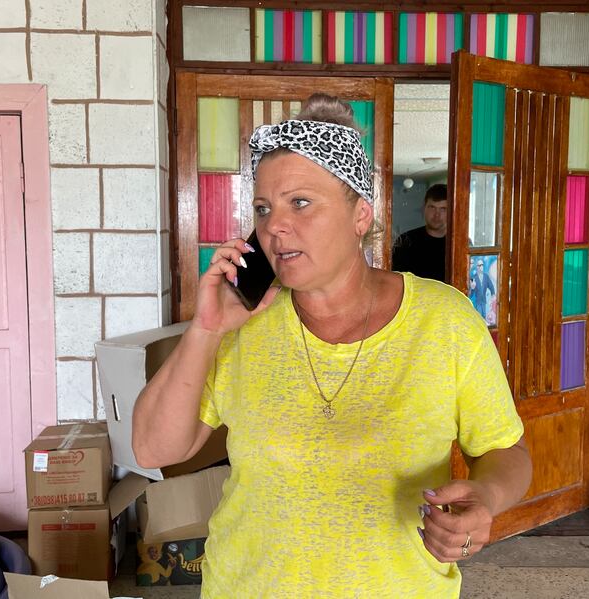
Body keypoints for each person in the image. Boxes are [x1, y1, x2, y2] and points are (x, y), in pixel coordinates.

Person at [132, 93, 532, 598]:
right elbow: (153, 448)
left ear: (361, 214)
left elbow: (504, 448)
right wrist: (205, 328)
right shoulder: (244, 327)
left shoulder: (443, 320)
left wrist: (487, 496)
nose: (275, 225)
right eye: (263, 208)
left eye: (300, 202)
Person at [392, 183, 449, 282]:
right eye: (432, 207)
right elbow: (396, 279)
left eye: (443, 209)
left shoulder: (458, 244)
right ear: (424, 208)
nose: (436, 214)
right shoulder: (406, 241)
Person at [469, 258, 496, 322]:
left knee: (484, 315)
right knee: (479, 317)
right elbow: (471, 294)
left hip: (484, 301)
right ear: (477, 267)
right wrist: (472, 288)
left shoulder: (486, 277)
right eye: (479, 265)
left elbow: (491, 286)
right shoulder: (474, 278)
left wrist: (493, 294)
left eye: (482, 265)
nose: (481, 267)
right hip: (478, 302)